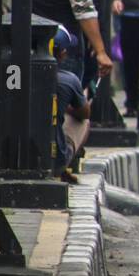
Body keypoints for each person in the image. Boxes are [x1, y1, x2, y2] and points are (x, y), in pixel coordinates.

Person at [53, 25, 92, 183]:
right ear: (62, 54)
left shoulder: (13, 72)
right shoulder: (68, 80)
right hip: (53, 160)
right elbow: (85, 113)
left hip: (11, 157)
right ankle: (64, 167)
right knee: (83, 122)